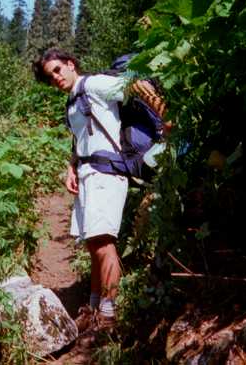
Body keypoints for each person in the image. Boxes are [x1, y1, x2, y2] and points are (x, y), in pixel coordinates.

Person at [32, 48, 167, 336]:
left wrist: (166, 117)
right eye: (49, 76)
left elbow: (133, 85)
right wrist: (71, 167)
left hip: (107, 172)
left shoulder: (93, 84)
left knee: (104, 242)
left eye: (57, 70)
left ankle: (109, 314)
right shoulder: (73, 100)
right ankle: (93, 308)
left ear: (70, 64)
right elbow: (81, 138)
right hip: (87, 175)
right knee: (93, 245)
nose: (55, 78)